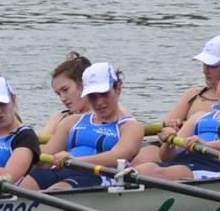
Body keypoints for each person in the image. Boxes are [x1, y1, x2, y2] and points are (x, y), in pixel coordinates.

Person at [144, 58, 220, 181]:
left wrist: (206, 145)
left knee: (158, 173)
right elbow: (166, 158)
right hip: (184, 163)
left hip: (218, 167)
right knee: (145, 168)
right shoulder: (198, 117)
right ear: (217, 86)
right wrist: (168, 142)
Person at [135, 33, 220, 167]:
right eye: (204, 64)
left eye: (212, 65)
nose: (205, 70)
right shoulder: (193, 94)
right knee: (141, 158)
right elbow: (163, 130)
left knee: (147, 165)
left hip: (214, 160)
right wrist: (171, 129)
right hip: (182, 150)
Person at [34, 62, 142, 191]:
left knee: (58, 189)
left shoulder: (131, 126)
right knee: (27, 181)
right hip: (64, 170)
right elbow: (46, 156)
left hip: (98, 177)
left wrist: (76, 160)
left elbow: (117, 156)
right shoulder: (71, 122)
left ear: (118, 89)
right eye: (93, 96)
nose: (99, 102)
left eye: (104, 94)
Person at [44, 52, 91, 135]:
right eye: (58, 94)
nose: (63, 99)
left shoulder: (110, 116)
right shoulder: (59, 120)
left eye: (65, 90)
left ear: (83, 83)